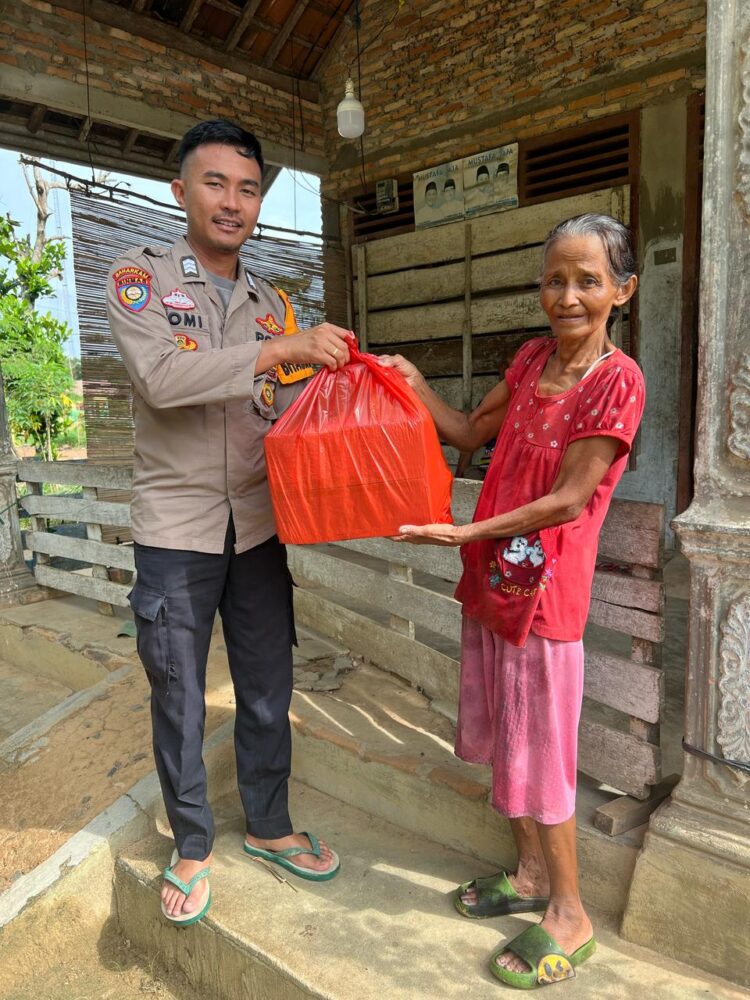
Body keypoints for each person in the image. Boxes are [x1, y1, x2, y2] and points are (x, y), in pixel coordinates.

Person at [378, 214, 644, 989]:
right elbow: (464, 433)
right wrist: (413, 384)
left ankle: (569, 911)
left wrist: (463, 532)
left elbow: (567, 503)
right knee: (505, 739)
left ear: (621, 290)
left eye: (587, 280)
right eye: (555, 279)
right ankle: (528, 875)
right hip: (494, 584)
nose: (567, 295)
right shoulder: (530, 360)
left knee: (543, 755)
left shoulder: (617, 382)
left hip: (546, 601)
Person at [107, 119, 351, 926]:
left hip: (257, 527)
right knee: (178, 694)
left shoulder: (271, 302)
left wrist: (358, 394)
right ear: (182, 191)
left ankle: (270, 825)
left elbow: (288, 409)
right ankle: (192, 843)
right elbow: (162, 379)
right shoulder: (138, 280)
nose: (233, 202)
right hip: (175, 531)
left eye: (248, 189)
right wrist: (280, 350)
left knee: (267, 687)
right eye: (216, 184)